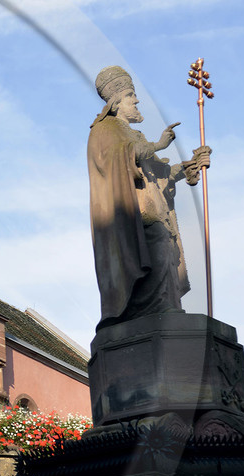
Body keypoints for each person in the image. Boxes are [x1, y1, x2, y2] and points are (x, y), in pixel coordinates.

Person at [88, 66, 210, 328]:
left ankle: (164, 307)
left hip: (154, 210)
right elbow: (120, 156)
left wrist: (189, 166)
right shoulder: (104, 129)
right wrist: (158, 144)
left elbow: (160, 174)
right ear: (117, 102)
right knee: (155, 243)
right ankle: (152, 309)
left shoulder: (134, 135)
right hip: (133, 215)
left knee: (165, 248)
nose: (137, 100)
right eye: (132, 95)